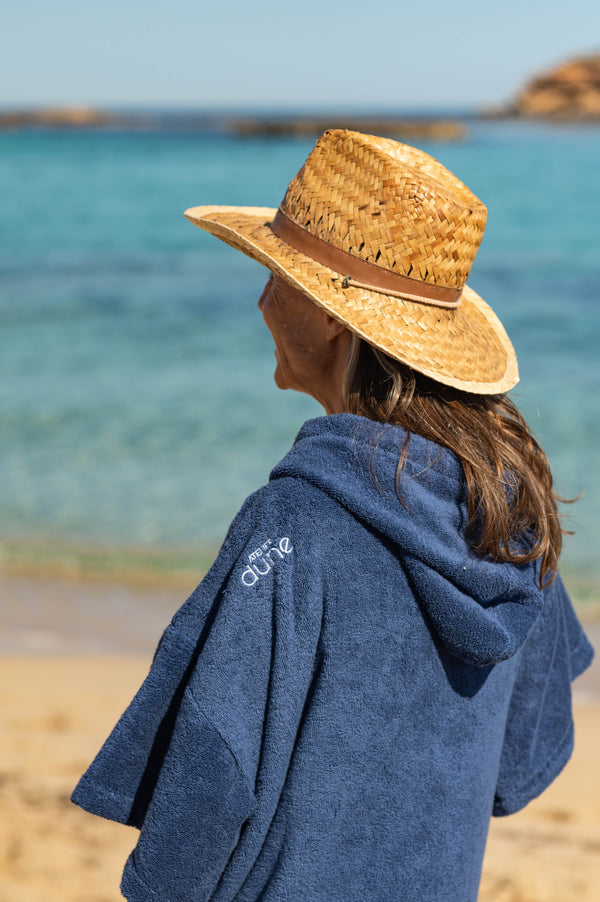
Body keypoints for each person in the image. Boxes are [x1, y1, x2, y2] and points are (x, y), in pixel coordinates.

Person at [72, 130, 593, 902]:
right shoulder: (508, 511)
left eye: (276, 276)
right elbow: (524, 759)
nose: (258, 299)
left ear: (331, 319)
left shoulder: (296, 524)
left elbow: (209, 778)